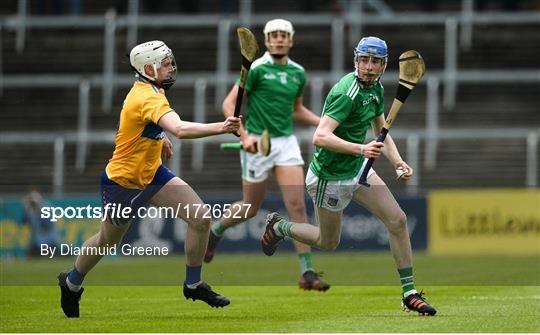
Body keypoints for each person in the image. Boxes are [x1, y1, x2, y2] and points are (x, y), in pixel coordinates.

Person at [57, 40, 241, 317]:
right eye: (164, 64)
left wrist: (159, 135)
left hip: (152, 174)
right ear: (147, 69)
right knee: (107, 242)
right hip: (123, 183)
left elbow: (143, 124)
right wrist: (222, 127)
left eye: (170, 62)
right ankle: (71, 283)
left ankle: (193, 284)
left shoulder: (151, 89)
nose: (171, 68)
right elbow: (179, 128)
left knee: (201, 218)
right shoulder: (147, 96)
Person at [260, 36, 437, 316]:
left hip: (357, 169)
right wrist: (361, 148)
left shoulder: (376, 89)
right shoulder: (347, 92)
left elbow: (382, 130)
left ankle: (409, 293)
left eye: (375, 62)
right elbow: (320, 136)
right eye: (364, 60)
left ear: (383, 65)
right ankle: (279, 226)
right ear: (356, 60)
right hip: (328, 176)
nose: (368, 67)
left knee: (398, 220)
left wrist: (398, 162)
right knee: (327, 242)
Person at [204, 19, 330, 291]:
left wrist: (323, 122)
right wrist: (245, 136)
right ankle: (215, 231)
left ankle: (306, 272)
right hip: (258, 142)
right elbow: (229, 104)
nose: (279, 39)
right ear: (266, 40)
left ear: (291, 40)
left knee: (296, 205)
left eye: (284, 35)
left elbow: (296, 109)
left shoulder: (298, 73)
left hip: (285, 142)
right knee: (250, 209)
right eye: (274, 35)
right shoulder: (257, 69)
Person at [22, 187, 58, 257]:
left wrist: (39, 211)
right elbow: (23, 222)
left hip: (50, 243)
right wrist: (26, 208)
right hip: (39, 243)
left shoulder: (46, 207)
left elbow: (47, 224)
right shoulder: (30, 209)